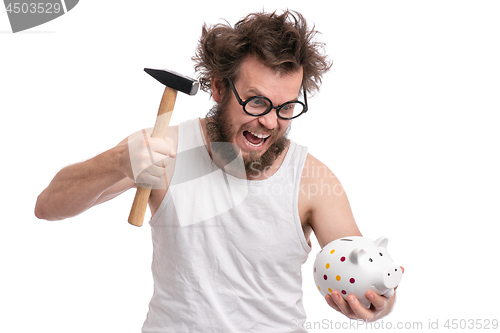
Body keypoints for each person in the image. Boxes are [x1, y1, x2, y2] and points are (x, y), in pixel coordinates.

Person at [35, 10, 401, 332]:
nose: (270, 122)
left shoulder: (311, 179)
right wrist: (116, 161)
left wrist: (379, 303)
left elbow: (364, 269)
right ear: (218, 87)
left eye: (286, 107)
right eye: (257, 101)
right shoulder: (164, 150)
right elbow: (48, 206)